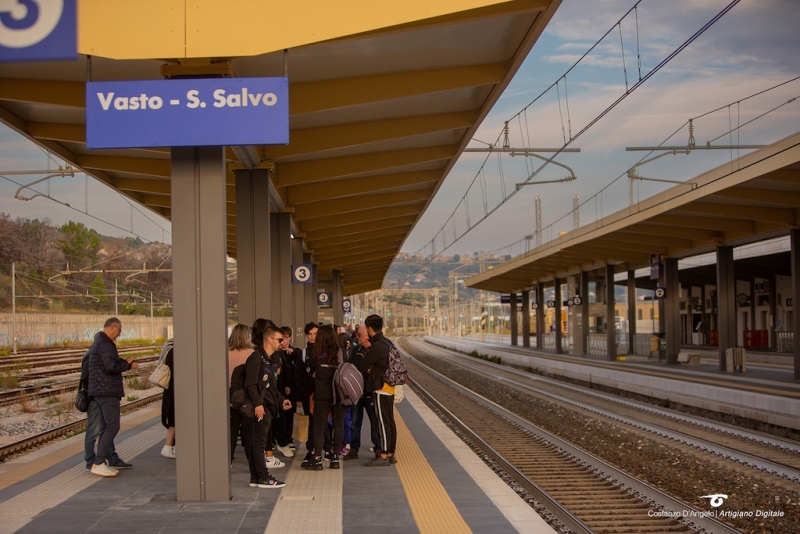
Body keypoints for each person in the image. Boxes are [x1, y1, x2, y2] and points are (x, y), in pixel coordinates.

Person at [87, 317, 139, 477]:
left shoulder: (99, 342)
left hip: (100, 391)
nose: (119, 334)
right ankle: (99, 462)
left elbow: (107, 364)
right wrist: (128, 365)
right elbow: (111, 366)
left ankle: (103, 461)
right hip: (107, 391)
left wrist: (123, 361)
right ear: (112, 327)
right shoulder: (105, 344)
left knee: (105, 427)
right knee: (112, 426)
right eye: (119, 330)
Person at [243, 322, 292, 488]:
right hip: (261, 407)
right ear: (269, 339)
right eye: (279, 339)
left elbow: (271, 387)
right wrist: (258, 404)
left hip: (269, 406)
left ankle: (256, 477)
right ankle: (263, 477)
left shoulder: (270, 360)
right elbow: (250, 384)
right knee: (259, 442)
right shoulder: (256, 358)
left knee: (256, 441)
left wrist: (281, 400)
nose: (282, 343)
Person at [356, 314, 396, 467]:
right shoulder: (387, 342)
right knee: (390, 421)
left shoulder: (377, 346)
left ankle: (384, 454)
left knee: (382, 422)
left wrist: (369, 368)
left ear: (370, 329)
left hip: (380, 387)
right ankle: (391, 452)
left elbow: (362, 365)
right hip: (389, 387)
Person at [302, 324, 345, 471]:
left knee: (319, 426)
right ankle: (335, 459)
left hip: (322, 394)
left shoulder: (317, 352)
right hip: (339, 393)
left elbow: (312, 373)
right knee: (338, 425)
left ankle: (317, 460)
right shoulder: (339, 351)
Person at [81, 347, 130, 470]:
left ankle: (108, 457)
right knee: (95, 430)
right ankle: (92, 461)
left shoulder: (95, 353)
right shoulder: (93, 355)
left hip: (97, 394)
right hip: (96, 397)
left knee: (105, 428)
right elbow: (108, 369)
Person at [345, 325, 381, 461]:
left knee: (374, 422)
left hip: (371, 392)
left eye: (359, 335)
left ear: (367, 336)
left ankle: (378, 448)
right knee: (355, 422)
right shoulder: (355, 351)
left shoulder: (376, 350)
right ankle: (354, 449)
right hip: (356, 393)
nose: (357, 337)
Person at [228, 324, 253, 462]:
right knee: (248, 429)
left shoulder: (225, 352)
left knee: (231, 429)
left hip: (229, 394)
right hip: (246, 395)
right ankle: (251, 459)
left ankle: (228, 459)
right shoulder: (251, 353)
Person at [295, 322, 317, 466]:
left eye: (315, 334)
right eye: (309, 334)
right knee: (310, 423)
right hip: (307, 395)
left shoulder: (325, 352)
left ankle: (324, 450)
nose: (312, 337)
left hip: (322, 395)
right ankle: (311, 450)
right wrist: (298, 397)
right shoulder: (303, 353)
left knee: (322, 424)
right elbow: (298, 376)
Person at [159, 339, 176, 458]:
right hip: (176, 389)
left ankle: (170, 447)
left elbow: (160, 362)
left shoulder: (169, 344)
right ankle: (168, 447)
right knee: (175, 420)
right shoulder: (180, 349)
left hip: (170, 387)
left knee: (173, 419)